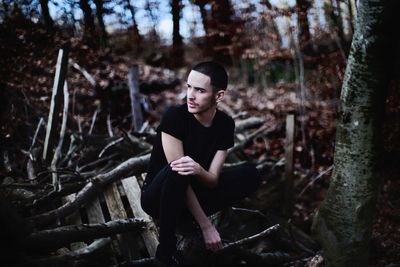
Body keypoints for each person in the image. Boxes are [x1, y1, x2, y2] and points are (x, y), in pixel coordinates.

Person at [140, 61, 261, 266]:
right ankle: (165, 251)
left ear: (219, 95)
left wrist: (198, 170)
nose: (190, 95)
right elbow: (178, 174)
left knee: (251, 173)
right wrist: (206, 225)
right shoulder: (174, 117)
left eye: (200, 90)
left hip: (195, 191)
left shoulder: (225, 124)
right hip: (158, 198)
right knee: (180, 169)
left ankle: (186, 217)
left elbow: (212, 180)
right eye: (189, 87)